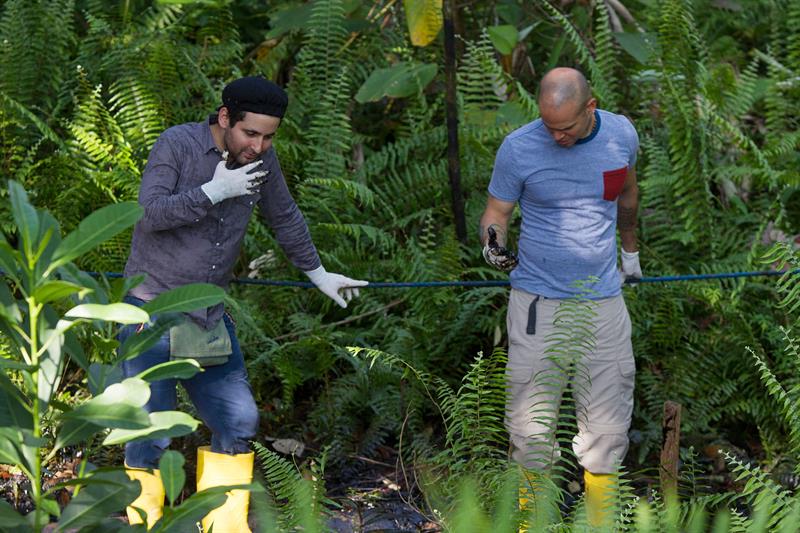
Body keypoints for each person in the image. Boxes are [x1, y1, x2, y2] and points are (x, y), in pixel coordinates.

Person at [119, 76, 367, 532]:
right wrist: (214, 192)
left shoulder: (262, 163)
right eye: (250, 133)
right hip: (150, 314)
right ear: (225, 117)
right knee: (149, 431)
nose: (259, 145)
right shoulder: (178, 145)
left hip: (207, 318)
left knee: (239, 419)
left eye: (269, 136)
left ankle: (224, 525)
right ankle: (144, 524)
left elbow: (285, 216)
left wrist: (318, 273)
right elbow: (149, 213)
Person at [479, 67, 641, 525]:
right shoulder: (520, 148)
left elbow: (627, 194)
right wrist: (494, 246)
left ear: (590, 108)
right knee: (530, 428)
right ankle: (534, 521)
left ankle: (599, 521)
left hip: (603, 301)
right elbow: (497, 212)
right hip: (537, 301)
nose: (556, 136)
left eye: (565, 127)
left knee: (608, 423)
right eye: (548, 125)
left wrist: (630, 253)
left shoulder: (621, 135)